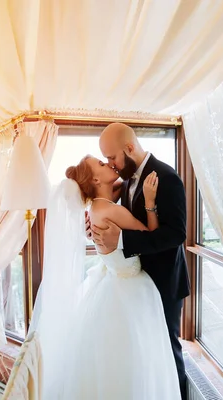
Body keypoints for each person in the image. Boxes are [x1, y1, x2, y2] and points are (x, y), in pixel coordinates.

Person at [34, 155, 181, 399]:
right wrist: (151, 202)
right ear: (94, 178)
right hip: (130, 286)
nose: (108, 163)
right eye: (101, 164)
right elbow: (151, 234)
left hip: (112, 281)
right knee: (138, 357)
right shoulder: (111, 210)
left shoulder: (96, 208)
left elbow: (112, 190)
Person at [88, 123, 190, 399]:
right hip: (138, 282)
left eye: (113, 158)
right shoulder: (127, 179)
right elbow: (105, 206)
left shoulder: (166, 177)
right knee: (147, 352)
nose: (111, 164)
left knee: (168, 350)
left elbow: (176, 234)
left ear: (129, 148)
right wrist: (96, 229)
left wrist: (120, 241)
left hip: (164, 282)